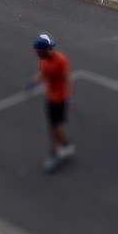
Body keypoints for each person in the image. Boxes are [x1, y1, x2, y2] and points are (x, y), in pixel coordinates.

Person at [25, 34, 74, 172]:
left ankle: (55, 154)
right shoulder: (42, 60)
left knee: (54, 128)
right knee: (57, 126)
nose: (37, 54)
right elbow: (42, 73)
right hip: (51, 97)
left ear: (45, 50)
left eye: (38, 52)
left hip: (60, 99)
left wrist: (69, 97)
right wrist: (33, 83)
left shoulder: (60, 60)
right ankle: (66, 145)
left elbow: (67, 79)